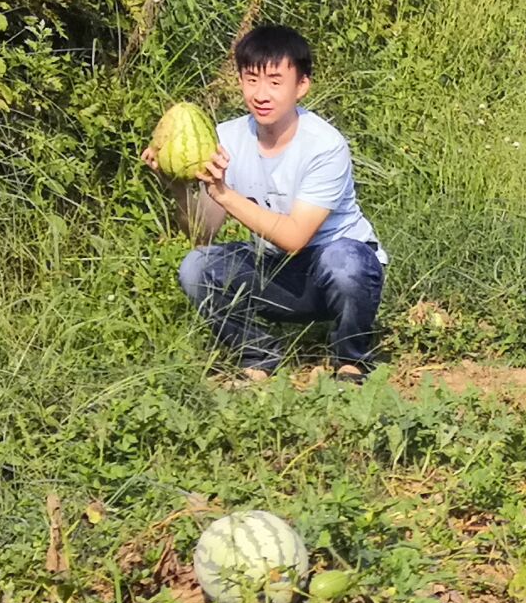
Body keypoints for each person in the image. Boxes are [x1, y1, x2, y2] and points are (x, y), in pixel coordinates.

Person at [145, 25, 387, 380]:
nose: (261, 94)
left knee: (346, 260)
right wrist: (175, 184)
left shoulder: (325, 146)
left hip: (332, 270)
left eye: (275, 82)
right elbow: (202, 234)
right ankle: (258, 356)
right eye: (251, 80)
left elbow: (295, 238)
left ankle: (351, 359)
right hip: (273, 268)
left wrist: (225, 194)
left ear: (301, 86)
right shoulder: (226, 138)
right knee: (197, 266)